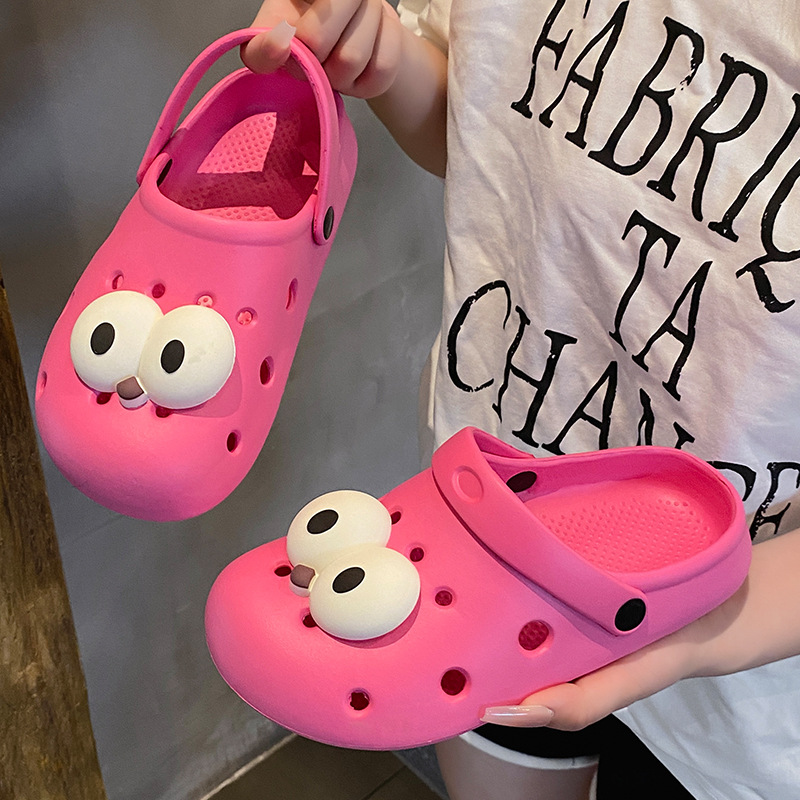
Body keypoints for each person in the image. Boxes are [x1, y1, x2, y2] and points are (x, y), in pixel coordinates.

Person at [242, 2, 800, 797]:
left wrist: (699, 638)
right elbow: (494, 138)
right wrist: (384, 61)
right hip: (491, 540)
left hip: (745, 669)